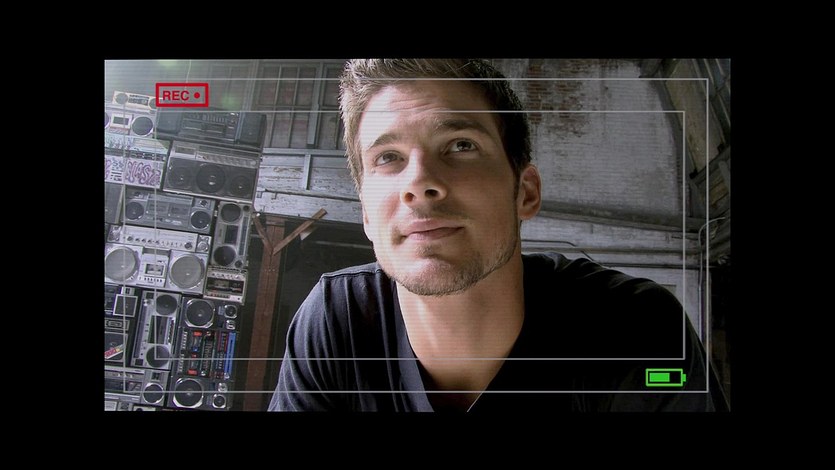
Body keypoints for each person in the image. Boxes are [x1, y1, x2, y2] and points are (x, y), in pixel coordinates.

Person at [268, 59, 729, 412]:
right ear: (366, 214)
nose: (419, 182)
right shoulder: (338, 323)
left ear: (525, 192)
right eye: (388, 157)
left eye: (460, 145)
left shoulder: (636, 332)